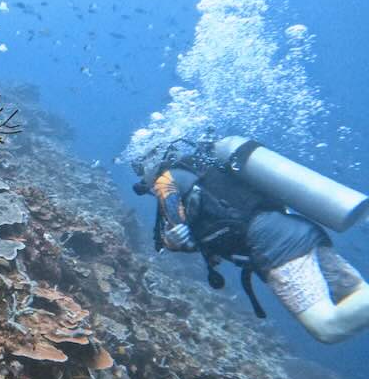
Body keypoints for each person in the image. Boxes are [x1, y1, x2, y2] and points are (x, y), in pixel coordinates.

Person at [134, 143, 369, 344]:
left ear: (150, 162)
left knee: (326, 328)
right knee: (357, 293)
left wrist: (172, 239)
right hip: (299, 229)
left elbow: (179, 230)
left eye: (138, 169)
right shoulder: (204, 171)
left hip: (273, 246)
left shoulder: (165, 180)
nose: (141, 179)